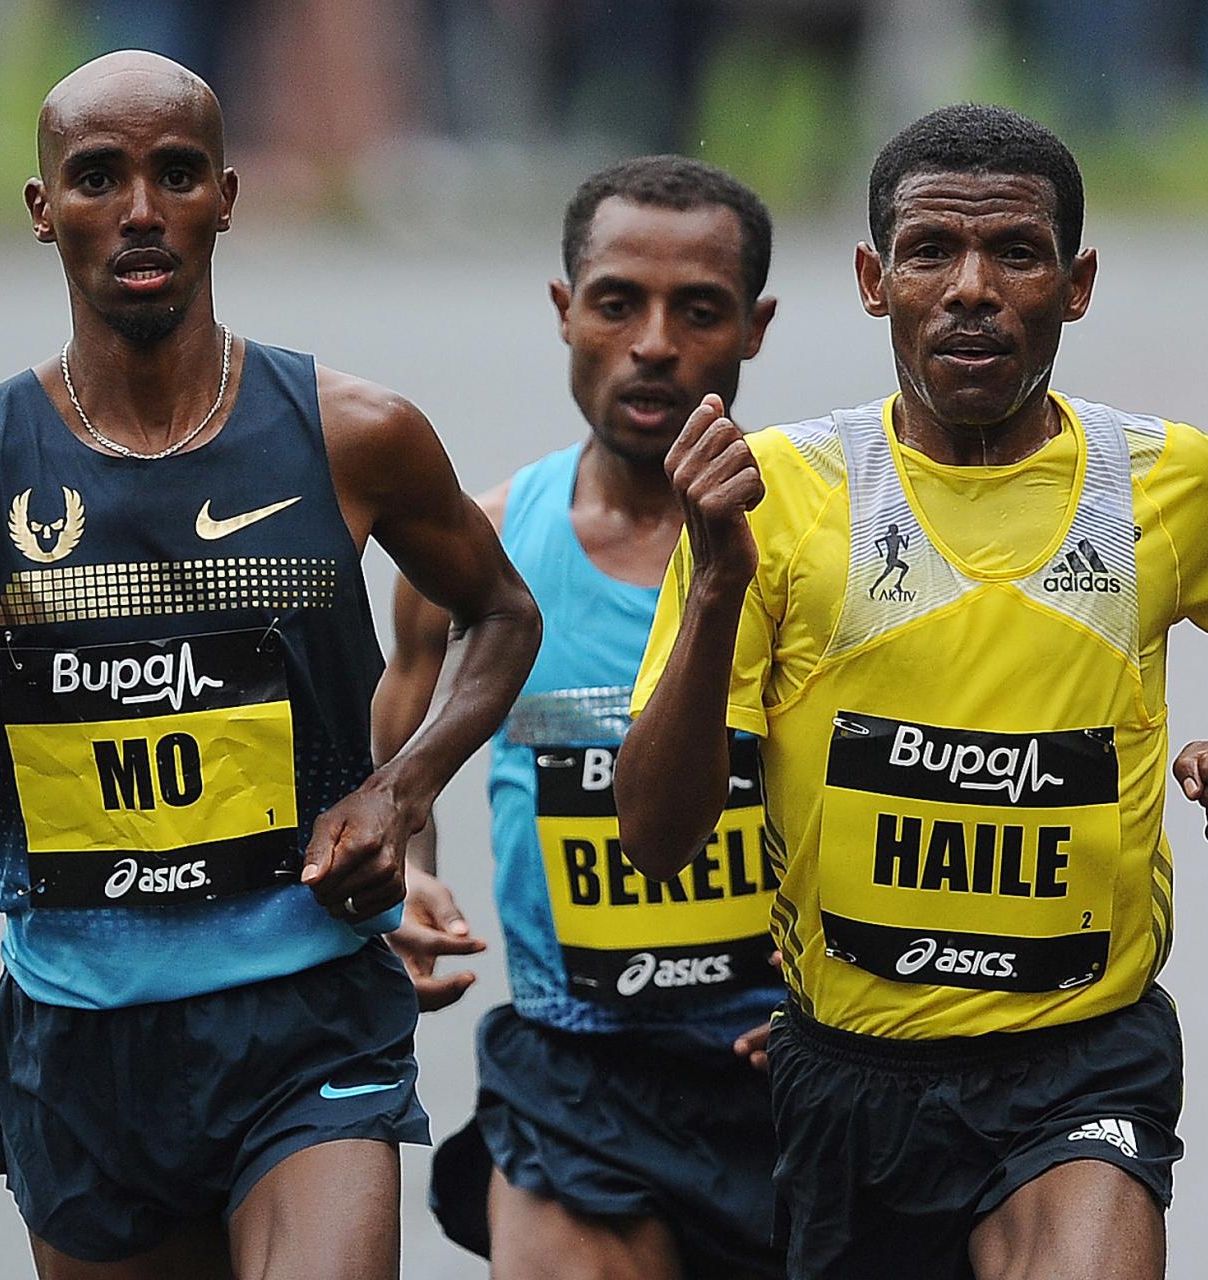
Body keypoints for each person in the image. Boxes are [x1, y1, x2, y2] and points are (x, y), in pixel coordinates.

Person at [0, 51, 540, 1280]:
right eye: (99, 178)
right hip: (84, 1040)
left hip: (308, 1012)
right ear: (43, 207)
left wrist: (401, 786)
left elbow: (499, 612)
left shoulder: (351, 431)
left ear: (226, 195)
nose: (141, 213)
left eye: (173, 175)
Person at [616, 104, 1208, 1279]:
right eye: (930, 251)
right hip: (850, 1074)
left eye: (1015, 253)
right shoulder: (775, 493)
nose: (971, 289)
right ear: (871, 278)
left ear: (1076, 281)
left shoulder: (1168, 477)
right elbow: (654, 835)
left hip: (1082, 1059)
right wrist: (711, 595)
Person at [371, 156, 786, 1279]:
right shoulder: (480, 549)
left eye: (697, 310)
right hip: (574, 1075)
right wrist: (408, 871)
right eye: (616, 302)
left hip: (791, 1072)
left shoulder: (818, 545)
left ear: (752, 328)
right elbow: (401, 769)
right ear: (565, 312)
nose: (653, 341)